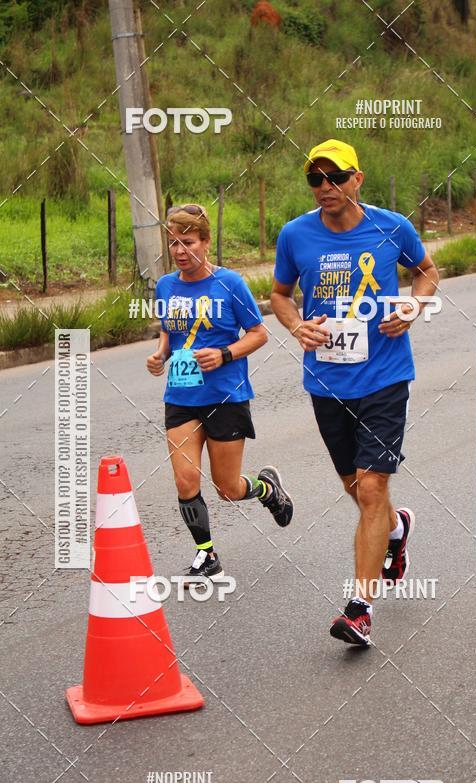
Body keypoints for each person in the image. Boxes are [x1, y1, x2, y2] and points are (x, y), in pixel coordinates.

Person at [270, 139, 439, 647]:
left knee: (370, 488)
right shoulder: (295, 235)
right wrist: (297, 326)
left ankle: (360, 609)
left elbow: (427, 273)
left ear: (357, 178)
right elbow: (279, 296)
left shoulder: (392, 226)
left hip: (386, 378)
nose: (326, 187)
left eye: (336, 177)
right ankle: (394, 532)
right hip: (327, 381)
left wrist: (413, 307)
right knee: (356, 487)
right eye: (316, 179)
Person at [147, 204, 293, 583]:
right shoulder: (166, 286)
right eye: (174, 243)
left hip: (226, 395)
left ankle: (266, 489)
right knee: (185, 480)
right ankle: (206, 555)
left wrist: (225, 353)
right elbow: (170, 332)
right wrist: (160, 355)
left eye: (189, 242)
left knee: (227, 488)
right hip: (181, 394)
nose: (181, 250)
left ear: (207, 242)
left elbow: (259, 333)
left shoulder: (230, 284)